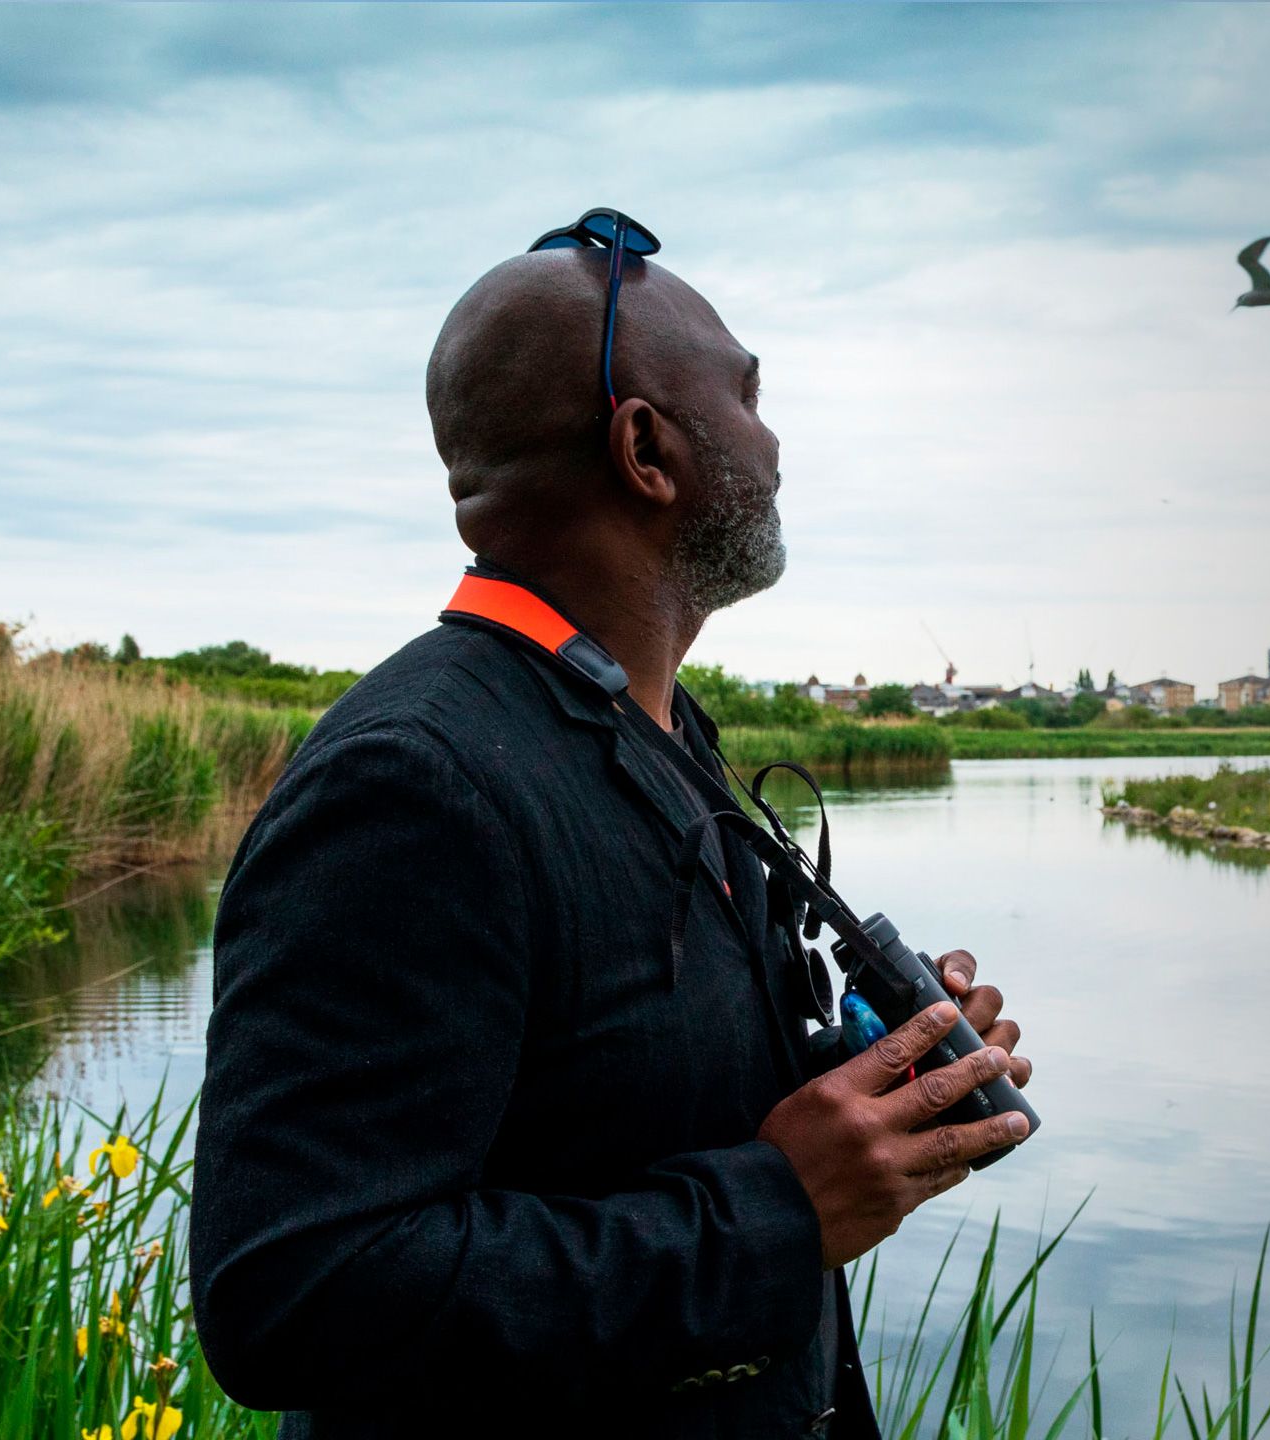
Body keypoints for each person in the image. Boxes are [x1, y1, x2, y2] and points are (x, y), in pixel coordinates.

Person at [190, 218, 1033, 1439]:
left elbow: (598, 1109)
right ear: (646, 448)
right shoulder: (412, 783)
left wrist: (867, 1099)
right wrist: (775, 1212)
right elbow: (296, 1290)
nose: (778, 440)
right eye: (747, 394)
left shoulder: (653, 728)